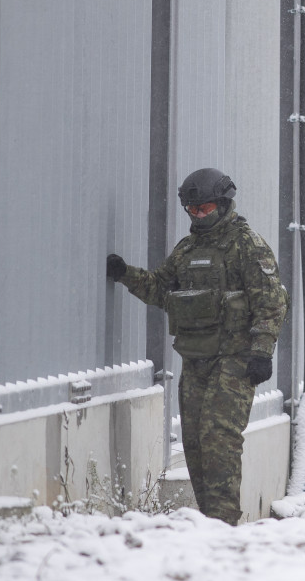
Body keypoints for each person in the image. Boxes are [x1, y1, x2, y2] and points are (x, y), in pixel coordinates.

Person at [106, 167, 288, 525]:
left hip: (234, 360)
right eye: (192, 210)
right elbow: (161, 288)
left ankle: (223, 525)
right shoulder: (188, 250)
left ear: (222, 204)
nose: (198, 216)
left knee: (219, 438)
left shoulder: (246, 245)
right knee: (194, 441)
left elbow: (271, 301)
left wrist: (262, 352)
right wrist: (125, 273)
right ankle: (208, 523)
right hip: (196, 358)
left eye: (204, 209)